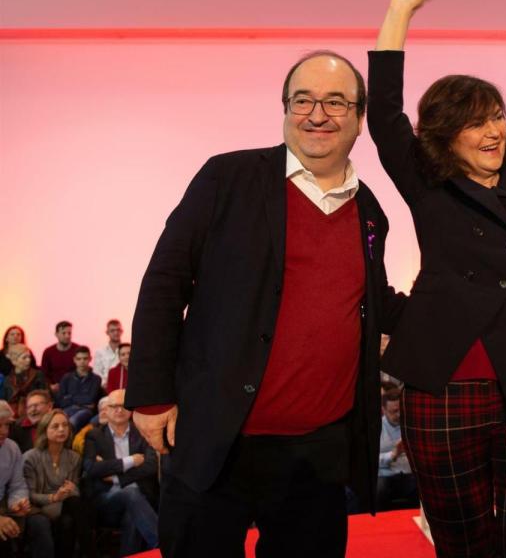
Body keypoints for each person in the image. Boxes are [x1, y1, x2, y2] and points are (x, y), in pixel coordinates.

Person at [126, 49, 403, 558]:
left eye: (336, 102)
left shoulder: (369, 211)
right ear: (284, 109)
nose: (317, 114)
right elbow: (165, 282)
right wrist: (149, 395)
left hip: (318, 452)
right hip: (217, 437)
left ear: (360, 118)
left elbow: (373, 300)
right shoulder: (227, 178)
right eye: (303, 100)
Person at [368, 0, 506, 554]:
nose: (493, 131)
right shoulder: (428, 185)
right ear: (443, 133)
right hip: (443, 382)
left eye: (498, 117)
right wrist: (400, 9)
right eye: (475, 122)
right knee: (461, 537)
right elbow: (384, 112)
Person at [83, 389, 159, 556]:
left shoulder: (142, 432)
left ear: (131, 410)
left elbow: (152, 465)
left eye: (124, 405)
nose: (119, 410)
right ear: (106, 411)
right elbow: (92, 469)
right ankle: (161, 546)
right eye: (114, 406)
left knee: (132, 514)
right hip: (106, 502)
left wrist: (116, 476)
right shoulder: (94, 436)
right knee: (131, 493)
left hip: (140, 501)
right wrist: (130, 461)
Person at [23, 409, 86, 558]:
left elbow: (74, 491)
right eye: (55, 426)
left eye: (65, 425)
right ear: (44, 430)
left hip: (64, 507)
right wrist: (53, 497)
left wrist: (72, 490)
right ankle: (89, 551)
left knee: (69, 517)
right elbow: (29, 495)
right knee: (70, 510)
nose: (62, 429)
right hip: (37, 509)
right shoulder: (30, 457)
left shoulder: (74, 458)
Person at [0, 400, 31, 557]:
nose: (4, 431)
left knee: (34, 525)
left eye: (7, 425)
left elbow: (18, 485)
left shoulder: (12, 448)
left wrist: (17, 503)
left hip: (3, 505)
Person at [376, 389, 416, 510]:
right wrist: (393, 454)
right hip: (385, 475)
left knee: (424, 488)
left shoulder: (411, 424)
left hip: (408, 473)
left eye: (401, 410)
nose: (398, 415)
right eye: (394, 411)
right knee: (379, 491)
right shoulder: (377, 428)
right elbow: (368, 460)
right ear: (383, 410)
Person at [57, 347, 103, 432]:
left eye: (85, 358)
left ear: (90, 359)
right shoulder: (66, 378)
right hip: (67, 409)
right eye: (79, 359)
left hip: (86, 411)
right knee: (58, 421)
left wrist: (69, 397)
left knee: (72, 422)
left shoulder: (96, 379)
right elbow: (60, 401)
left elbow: (90, 399)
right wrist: (82, 401)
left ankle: (70, 444)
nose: (82, 361)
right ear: (74, 360)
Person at [2, 344, 47, 418]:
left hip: (35, 411)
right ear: (14, 361)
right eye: (24, 358)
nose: (28, 360)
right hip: (13, 414)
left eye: (29, 357)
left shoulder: (37, 375)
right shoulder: (8, 380)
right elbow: (5, 400)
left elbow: (46, 396)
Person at [40, 322, 79, 392]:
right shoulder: (48, 352)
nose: (67, 336)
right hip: (54, 388)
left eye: (69, 333)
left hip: (75, 387)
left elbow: (82, 370)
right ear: (56, 334)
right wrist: (50, 386)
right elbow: (44, 374)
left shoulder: (77, 350)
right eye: (63, 333)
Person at [92, 320, 123, 388]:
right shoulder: (100, 352)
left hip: (123, 386)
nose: (116, 333)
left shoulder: (127, 351)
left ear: (122, 331)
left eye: (118, 330)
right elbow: (96, 373)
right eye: (112, 330)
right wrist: (104, 384)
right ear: (107, 332)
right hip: (104, 387)